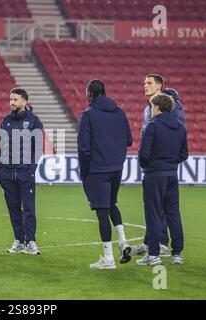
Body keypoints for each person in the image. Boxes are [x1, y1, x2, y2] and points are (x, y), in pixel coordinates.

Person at [77, 80, 133, 270]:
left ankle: (108, 259)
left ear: (90, 94)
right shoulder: (119, 112)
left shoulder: (88, 115)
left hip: (97, 170)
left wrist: (84, 173)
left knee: (102, 212)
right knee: (111, 205)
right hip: (116, 168)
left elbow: (84, 148)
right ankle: (123, 242)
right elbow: (129, 140)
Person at [132, 75, 187, 257]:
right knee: (162, 208)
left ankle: (160, 245)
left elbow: (175, 130)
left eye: (149, 83)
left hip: (158, 166)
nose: (145, 85)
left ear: (159, 86)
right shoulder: (148, 107)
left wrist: (158, 162)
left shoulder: (171, 107)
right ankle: (151, 243)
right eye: (144, 82)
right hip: (161, 166)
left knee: (157, 208)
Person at [0, 88, 43, 255]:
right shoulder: (5, 120)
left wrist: (31, 170)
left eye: (15, 99)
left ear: (24, 102)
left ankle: (31, 242)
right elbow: (1, 146)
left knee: (29, 208)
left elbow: (37, 149)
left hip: (25, 172)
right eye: (10, 99)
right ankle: (19, 240)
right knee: (13, 208)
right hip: (7, 173)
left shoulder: (34, 121)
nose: (12, 102)